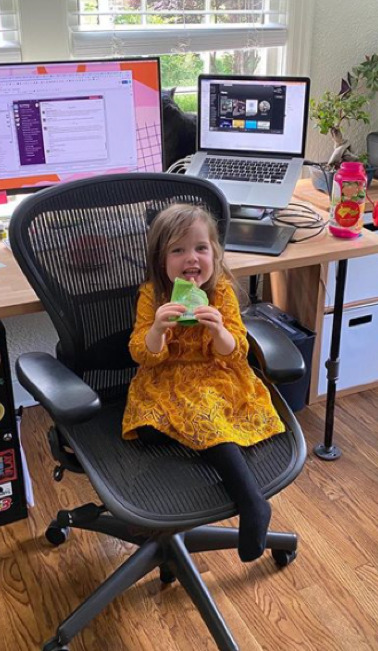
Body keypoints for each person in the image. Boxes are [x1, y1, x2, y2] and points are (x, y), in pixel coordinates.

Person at [122, 202, 285, 562]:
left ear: (215, 253)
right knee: (149, 424)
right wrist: (158, 330)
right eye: (177, 250)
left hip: (214, 377)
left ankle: (252, 502)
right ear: (161, 261)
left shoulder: (221, 292)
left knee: (205, 411)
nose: (190, 258)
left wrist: (219, 330)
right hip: (164, 378)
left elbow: (236, 351)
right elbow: (141, 352)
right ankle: (212, 453)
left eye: (200, 248)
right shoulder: (153, 295)